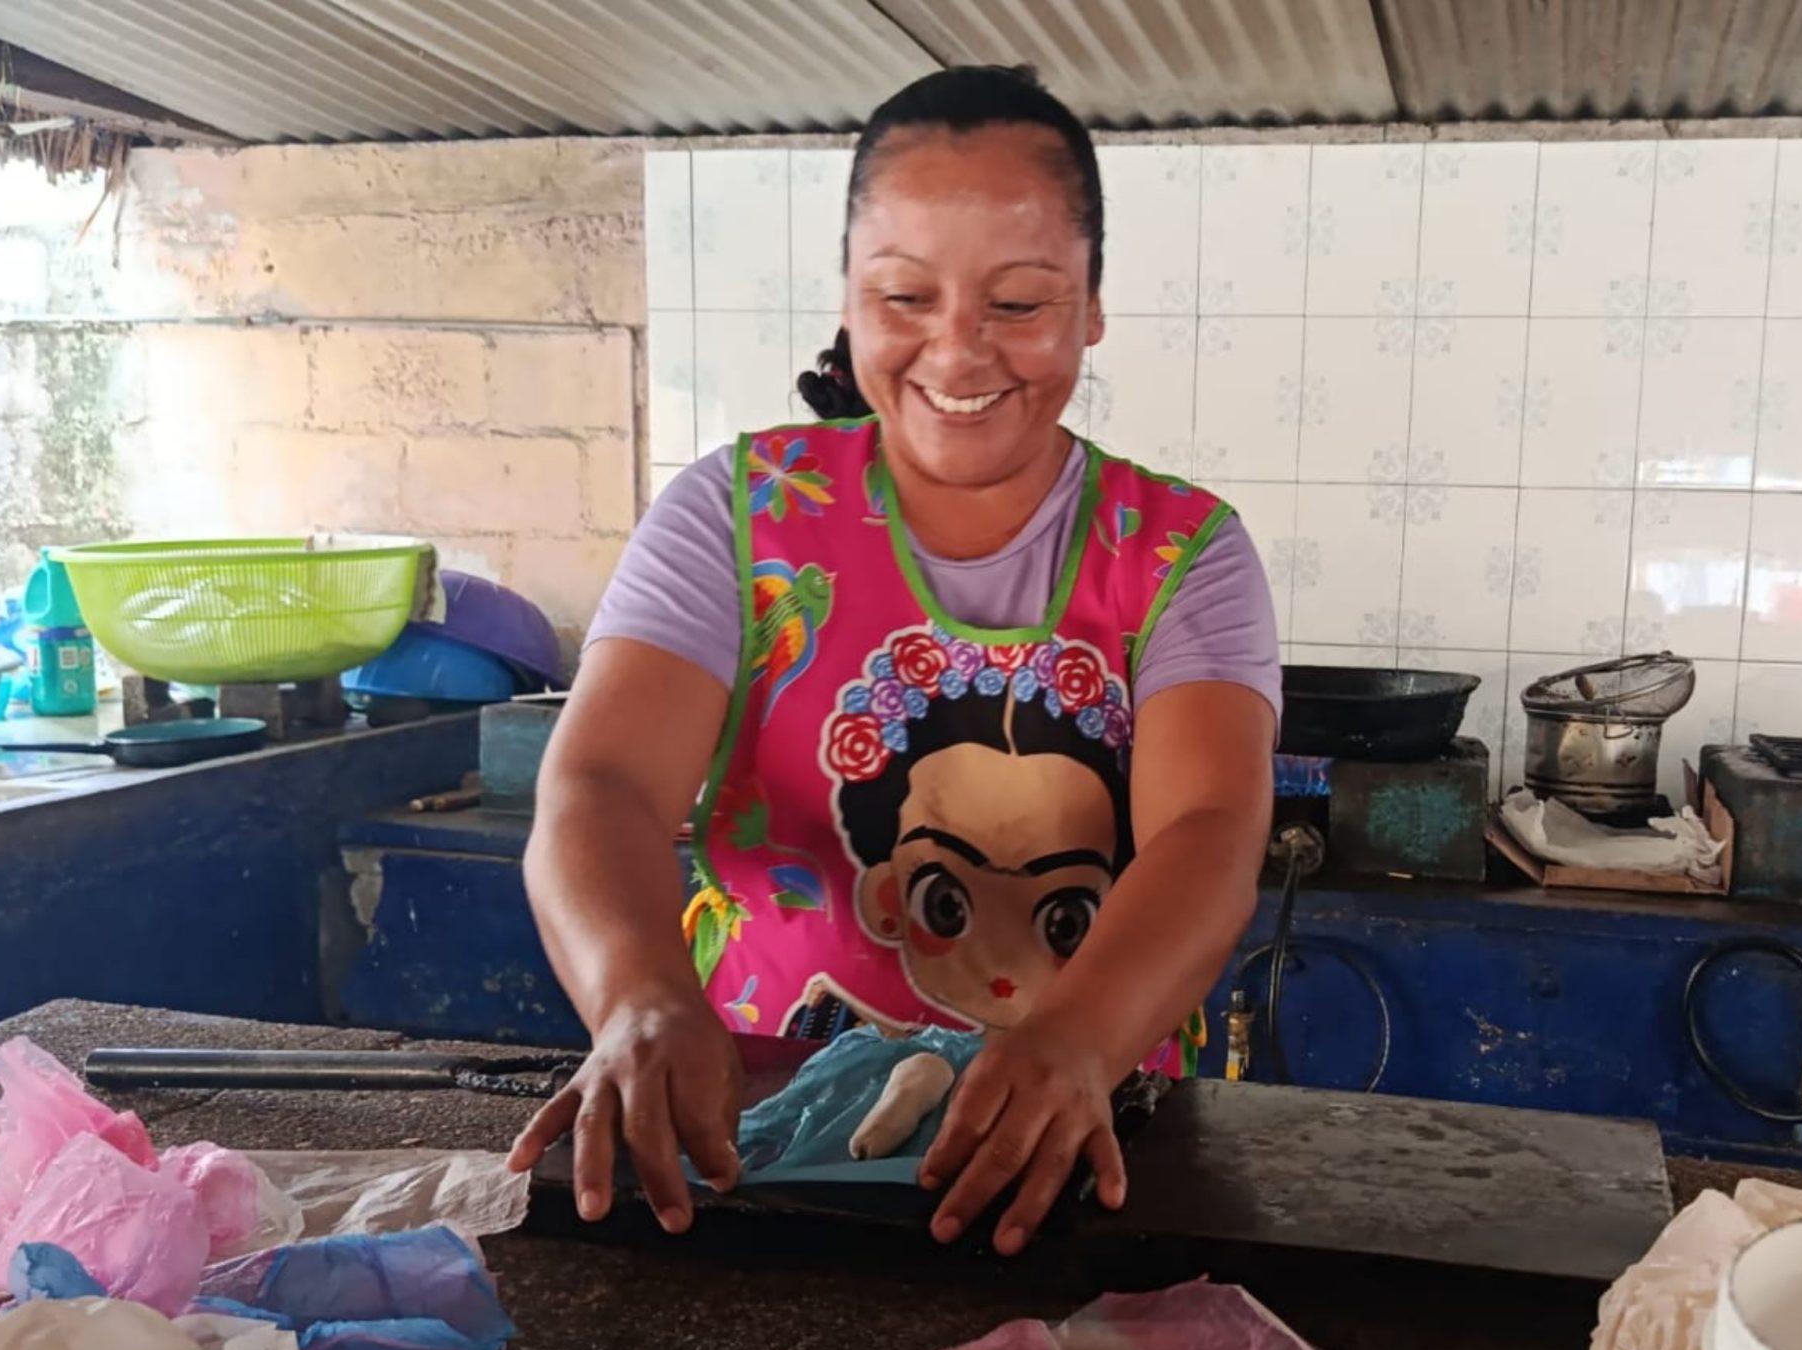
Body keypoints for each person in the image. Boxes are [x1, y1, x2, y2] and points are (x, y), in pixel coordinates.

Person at [506, 66, 1280, 1256]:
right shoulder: (739, 511)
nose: (958, 354)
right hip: (754, 1131)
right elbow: (599, 785)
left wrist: (1071, 1040)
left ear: (1092, 306)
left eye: (1018, 305)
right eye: (904, 295)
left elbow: (1209, 831)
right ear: (852, 302)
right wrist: (639, 998)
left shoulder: (1182, 553)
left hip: (1085, 1141)